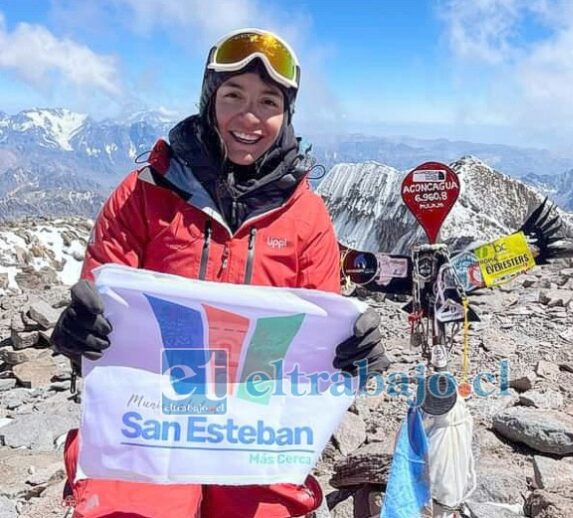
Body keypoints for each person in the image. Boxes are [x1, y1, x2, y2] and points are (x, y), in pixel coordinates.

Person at [51, 28, 390, 518]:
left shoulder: (307, 215)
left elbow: (322, 328)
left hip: (255, 426)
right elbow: (101, 298)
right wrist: (80, 333)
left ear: (285, 114)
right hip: (148, 418)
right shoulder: (144, 193)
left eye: (268, 102)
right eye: (234, 95)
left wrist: (351, 354)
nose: (249, 117)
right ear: (211, 100)